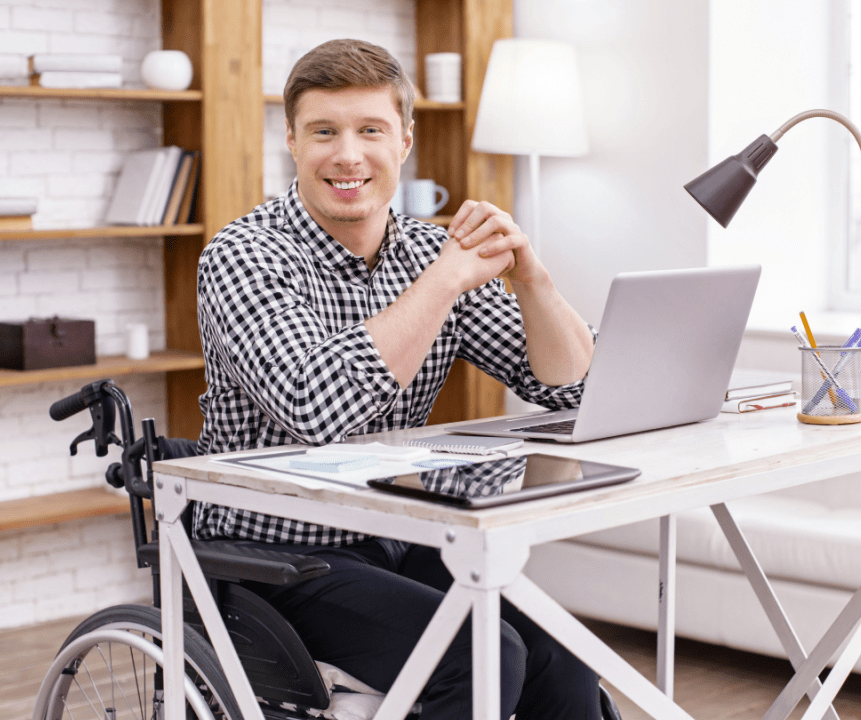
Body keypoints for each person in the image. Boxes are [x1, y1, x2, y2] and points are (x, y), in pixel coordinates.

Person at [193, 38, 601, 719]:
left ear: (404, 140)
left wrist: (534, 280)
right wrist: (443, 281)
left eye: (370, 130)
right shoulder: (242, 256)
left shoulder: (423, 249)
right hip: (269, 554)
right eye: (324, 131)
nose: (348, 154)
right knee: (482, 654)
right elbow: (314, 409)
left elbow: (567, 385)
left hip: (392, 533)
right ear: (292, 141)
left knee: (563, 655)